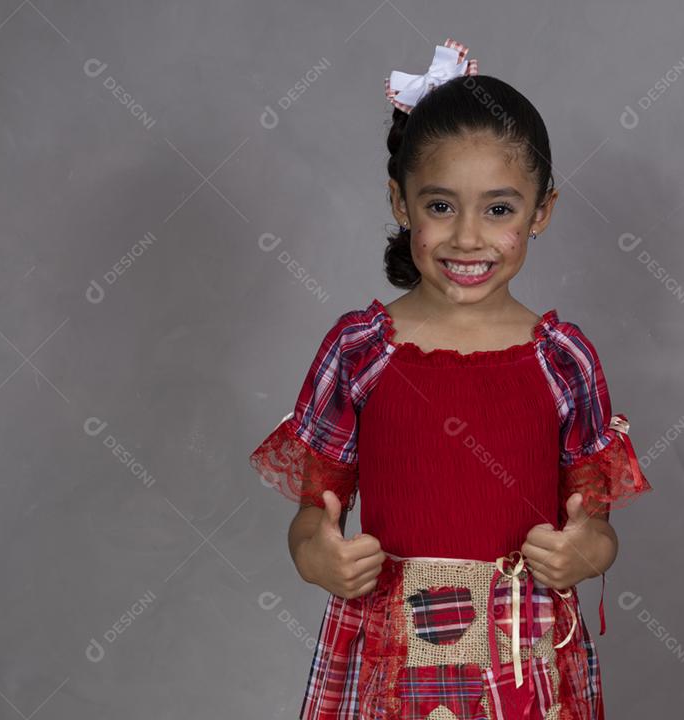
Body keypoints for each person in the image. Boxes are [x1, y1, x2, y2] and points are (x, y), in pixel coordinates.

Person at [249, 38, 653, 720]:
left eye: (499, 210)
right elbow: (311, 517)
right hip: (392, 658)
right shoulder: (359, 352)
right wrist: (315, 554)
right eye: (440, 207)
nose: (468, 237)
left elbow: (597, 525)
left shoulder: (563, 360)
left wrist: (585, 552)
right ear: (400, 203)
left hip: (523, 656)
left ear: (540, 212)